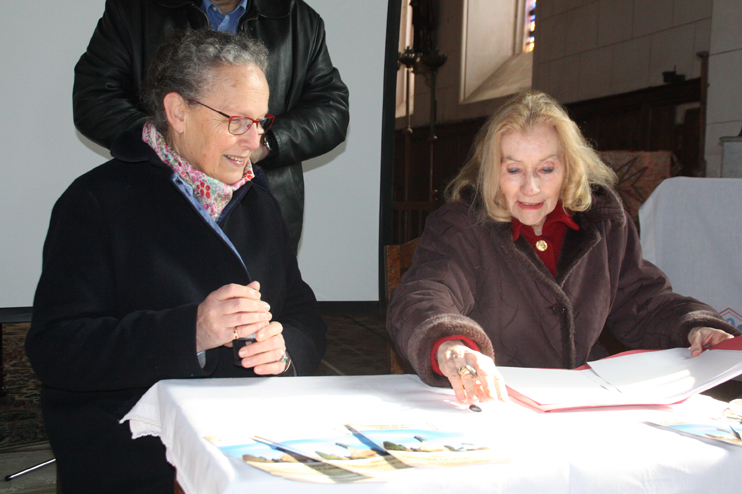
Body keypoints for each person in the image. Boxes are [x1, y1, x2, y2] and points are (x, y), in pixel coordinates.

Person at [26, 29, 327, 492]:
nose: (255, 141)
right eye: (236, 121)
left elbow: (302, 311)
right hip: (136, 457)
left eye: (261, 121)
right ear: (178, 111)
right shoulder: (95, 202)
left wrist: (285, 349)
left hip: (249, 443)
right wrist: (192, 332)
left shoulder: (259, 200)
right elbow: (57, 350)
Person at [386, 91, 740, 406]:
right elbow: (426, 293)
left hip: (585, 402)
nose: (531, 187)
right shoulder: (462, 224)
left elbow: (642, 301)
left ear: (569, 167)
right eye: (513, 170)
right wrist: (450, 346)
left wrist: (695, 325)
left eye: (546, 169)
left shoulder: (602, 221)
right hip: (496, 402)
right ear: (491, 171)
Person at [73, 0, 350, 252]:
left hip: (262, 202)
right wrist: (170, 144)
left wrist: (264, 143)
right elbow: (94, 97)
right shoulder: (134, 9)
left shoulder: (297, 18)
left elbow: (332, 110)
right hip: (155, 196)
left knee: (263, 300)